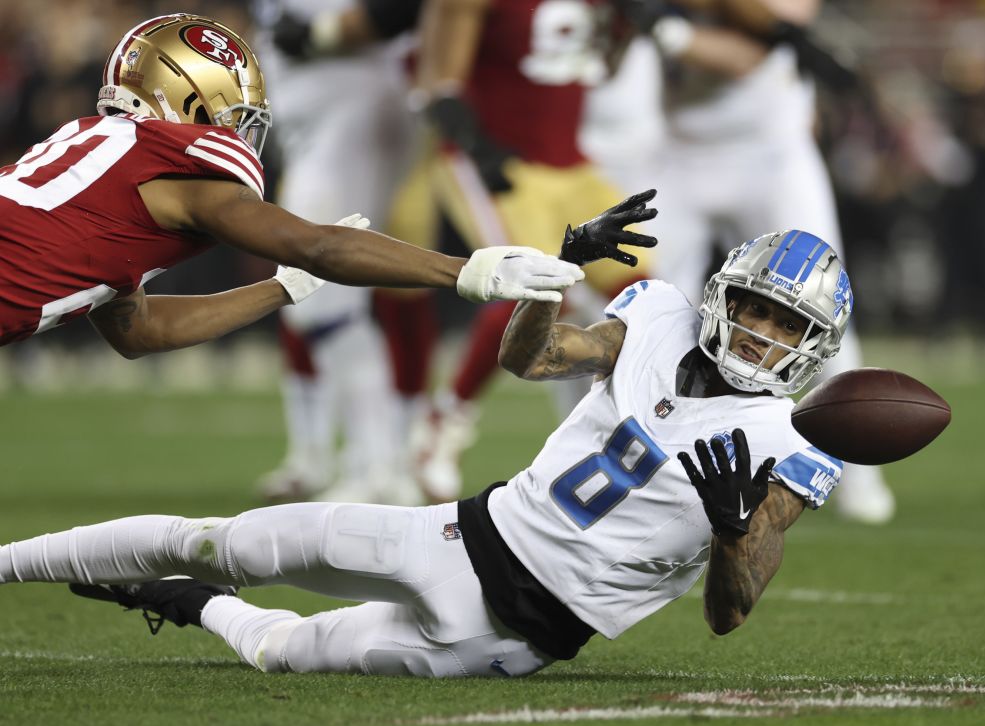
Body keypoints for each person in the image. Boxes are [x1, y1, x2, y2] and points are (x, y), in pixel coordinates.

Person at [0, 226, 852, 678]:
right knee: (226, 541)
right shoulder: (658, 317)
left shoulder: (792, 443)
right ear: (722, 294)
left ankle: (188, 604)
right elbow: (531, 360)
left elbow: (727, 613)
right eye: (754, 306)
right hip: (462, 535)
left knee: (283, 652)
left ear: (814, 345)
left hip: (517, 639)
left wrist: (736, 531)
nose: (761, 330)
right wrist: (549, 276)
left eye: (787, 324)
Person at [0, 13, 583, 355]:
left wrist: (283, 289)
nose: (237, 129)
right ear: (189, 98)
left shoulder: (91, 152)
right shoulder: (178, 170)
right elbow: (320, 245)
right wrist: (467, 271)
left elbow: (141, 331)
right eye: (231, 111)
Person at [590, 0, 896, 523]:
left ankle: (856, 470)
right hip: (678, 151)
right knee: (650, 314)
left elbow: (749, 50)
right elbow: (609, 62)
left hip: (770, 155)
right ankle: (636, 459)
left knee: (820, 305)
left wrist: (665, 27)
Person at [376, 0, 656, 504]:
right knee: (538, 284)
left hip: (569, 162)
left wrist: (631, 23)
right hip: (498, 155)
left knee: (643, 298)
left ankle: (601, 436)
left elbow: (598, 68)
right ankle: (446, 421)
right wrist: (474, 143)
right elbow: (438, 84)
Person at [248, 1, 427, 505]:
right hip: (324, 116)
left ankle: (379, 467)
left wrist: (320, 35)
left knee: (319, 294)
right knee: (317, 298)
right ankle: (373, 463)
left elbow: (401, 11)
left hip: (353, 105)